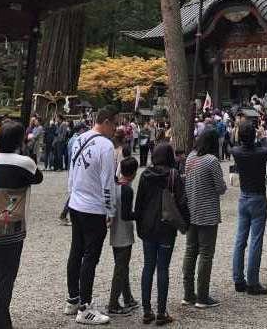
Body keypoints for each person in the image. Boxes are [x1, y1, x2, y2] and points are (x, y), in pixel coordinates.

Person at [0, 120, 43, 329]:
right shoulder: (25, 162)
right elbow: (37, 178)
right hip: (10, 224)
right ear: (20, 139)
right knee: (6, 275)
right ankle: (1, 323)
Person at [64, 106, 118, 325]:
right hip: (94, 207)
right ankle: (85, 307)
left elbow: (72, 170)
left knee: (76, 250)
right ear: (105, 121)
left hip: (76, 203)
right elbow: (108, 182)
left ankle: (72, 299)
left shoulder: (78, 139)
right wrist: (110, 209)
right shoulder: (105, 146)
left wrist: (71, 196)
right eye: (114, 123)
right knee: (90, 256)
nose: (116, 128)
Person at [134, 142, 189, 325]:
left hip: (148, 226)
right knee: (163, 268)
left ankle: (146, 310)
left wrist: (139, 225)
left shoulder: (145, 175)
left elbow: (139, 203)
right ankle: (161, 311)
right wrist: (185, 224)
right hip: (167, 226)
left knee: (148, 266)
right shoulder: (173, 175)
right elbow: (182, 202)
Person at [182, 128, 227, 308]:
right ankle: (202, 296)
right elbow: (220, 188)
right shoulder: (211, 161)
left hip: (191, 211)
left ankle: (188, 294)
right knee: (206, 255)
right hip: (208, 213)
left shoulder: (191, 157)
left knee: (190, 251)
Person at [231, 120, 267, 296]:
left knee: (240, 240)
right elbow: (265, 146)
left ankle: (238, 279)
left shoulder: (236, 152)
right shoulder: (262, 152)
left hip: (243, 196)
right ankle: (253, 281)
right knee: (255, 241)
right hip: (258, 197)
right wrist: (261, 136)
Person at [108, 156, 139, 315]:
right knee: (120, 269)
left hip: (115, 230)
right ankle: (113, 303)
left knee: (123, 267)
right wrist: (141, 214)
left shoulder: (115, 185)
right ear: (133, 173)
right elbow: (127, 215)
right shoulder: (127, 190)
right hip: (124, 232)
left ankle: (128, 298)